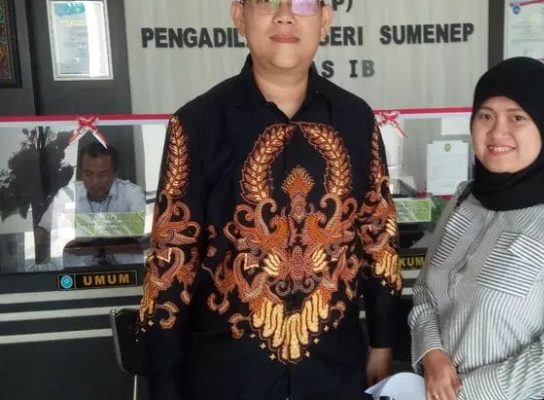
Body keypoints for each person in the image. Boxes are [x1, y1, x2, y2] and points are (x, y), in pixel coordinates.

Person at [137, 1, 402, 400]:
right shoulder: (196, 123)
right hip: (225, 376)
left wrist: (383, 343)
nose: (285, 14)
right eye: (267, 1)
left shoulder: (355, 119)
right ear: (239, 16)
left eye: (303, 3)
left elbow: (378, 237)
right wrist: (162, 379)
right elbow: (171, 260)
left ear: (325, 20)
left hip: (335, 374)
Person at [408, 57, 544, 400]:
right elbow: (426, 292)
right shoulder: (465, 199)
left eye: (517, 118)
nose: (497, 132)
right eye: (486, 116)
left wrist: (463, 394)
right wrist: (432, 355)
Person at [34, 141, 146, 268]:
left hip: (127, 273)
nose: (95, 182)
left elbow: (142, 233)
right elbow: (42, 230)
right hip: (76, 275)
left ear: (115, 173)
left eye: (102, 175)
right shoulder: (67, 195)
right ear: (81, 172)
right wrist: (45, 237)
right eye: (88, 174)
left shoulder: (132, 193)